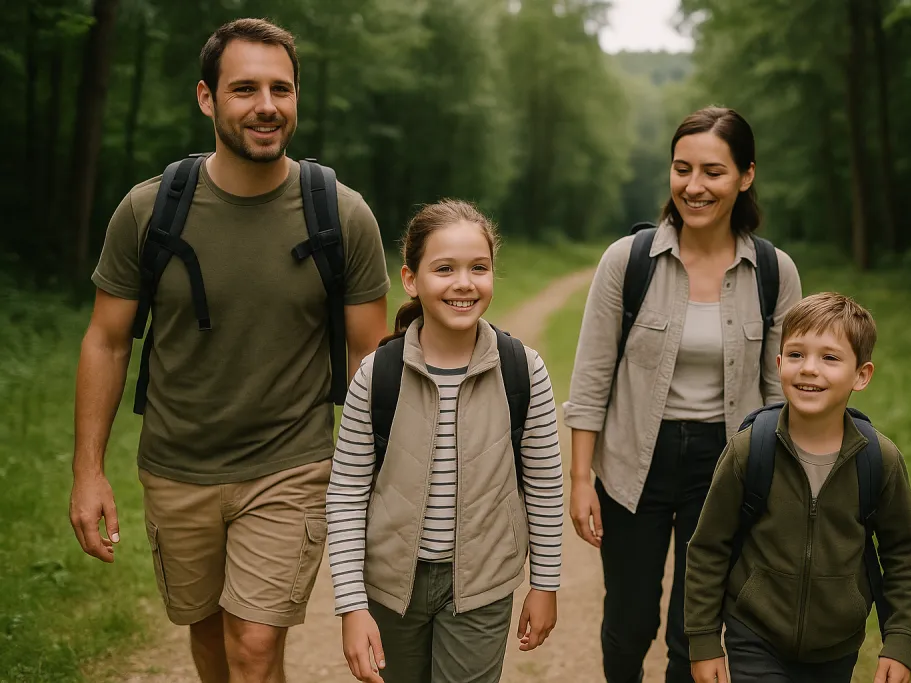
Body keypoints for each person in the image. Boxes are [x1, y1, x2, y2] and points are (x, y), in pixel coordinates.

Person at [68, 18, 390, 683]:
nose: (267, 106)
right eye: (245, 89)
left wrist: (377, 476)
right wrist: (88, 470)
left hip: (290, 463)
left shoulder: (342, 215)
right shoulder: (149, 211)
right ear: (207, 98)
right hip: (177, 465)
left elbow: (369, 358)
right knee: (210, 637)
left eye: (281, 89)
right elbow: (105, 340)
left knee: (253, 644)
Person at [563, 106, 802, 682]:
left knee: (695, 630)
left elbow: (781, 395)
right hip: (631, 465)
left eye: (713, 172)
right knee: (628, 621)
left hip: (725, 468)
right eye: (682, 169)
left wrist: (780, 487)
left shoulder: (774, 272)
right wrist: (579, 479)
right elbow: (592, 375)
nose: (694, 187)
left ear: (745, 176)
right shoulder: (627, 262)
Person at [327, 199, 563, 683]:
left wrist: (546, 584)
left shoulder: (523, 370)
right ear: (411, 279)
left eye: (479, 268)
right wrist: (351, 606)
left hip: (481, 588)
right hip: (392, 588)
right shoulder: (378, 374)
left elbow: (543, 488)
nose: (464, 283)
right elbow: (347, 493)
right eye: (444, 269)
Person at [684, 292, 911, 683]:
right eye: (796, 355)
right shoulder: (750, 450)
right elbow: (708, 547)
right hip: (755, 633)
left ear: (861, 375)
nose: (809, 369)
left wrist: (899, 641)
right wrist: (704, 640)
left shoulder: (879, 460)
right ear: (779, 364)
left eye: (829, 358)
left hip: (837, 645)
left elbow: (905, 555)